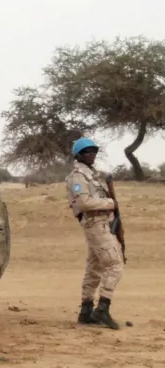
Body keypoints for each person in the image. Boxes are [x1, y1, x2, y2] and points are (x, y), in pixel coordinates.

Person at [65, 137, 122, 329]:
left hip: (101, 223)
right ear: (79, 155)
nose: (92, 155)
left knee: (95, 267)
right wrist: (111, 203)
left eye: (94, 152)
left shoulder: (90, 174)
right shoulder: (77, 177)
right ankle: (103, 308)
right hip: (94, 224)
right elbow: (83, 203)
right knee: (115, 264)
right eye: (88, 152)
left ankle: (86, 310)